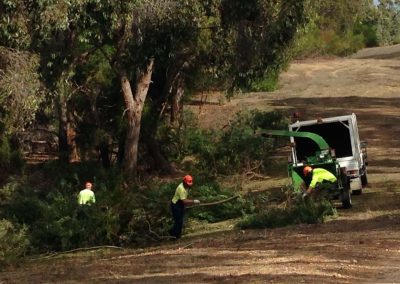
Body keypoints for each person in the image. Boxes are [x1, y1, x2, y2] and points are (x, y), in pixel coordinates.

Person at [169, 175, 200, 239]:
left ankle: (178, 236)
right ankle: (172, 235)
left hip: (180, 204)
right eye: (188, 184)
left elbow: (184, 198)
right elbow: (184, 201)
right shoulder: (181, 188)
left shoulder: (186, 187)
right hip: (175, 204)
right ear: (184, 182)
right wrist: (194, 201)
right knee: (178, 221)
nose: (189, 185)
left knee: (180, 221)